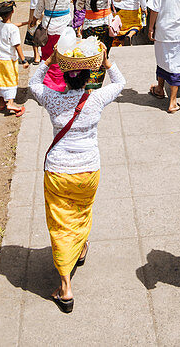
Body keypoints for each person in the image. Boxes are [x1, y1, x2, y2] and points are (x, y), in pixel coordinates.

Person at [29, 45, 125, 313]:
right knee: (81, 213)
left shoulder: (52, 98)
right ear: (88, 77)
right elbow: (121, 82)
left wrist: (49, 60)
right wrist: (106, 62)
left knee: (61, 224)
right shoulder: (95, 98)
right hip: (87, 170)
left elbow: (33, 83)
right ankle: (80, 247)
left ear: (65, 74)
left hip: (58, 171)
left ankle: (65, 286)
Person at [29, 0, 86, 92]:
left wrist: (33, 21)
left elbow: (39, 10)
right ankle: (63, 84)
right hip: (64, 29)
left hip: (48, 28)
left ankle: (49, 85)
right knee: (64, 56)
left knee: (48, 57)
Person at [76, 0, 114, 89]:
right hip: (105, 26)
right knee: (103, 56)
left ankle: (88, 85)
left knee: (90, 56)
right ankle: (97, 85)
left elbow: (79, 6)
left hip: (89, 27)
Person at [0, 0, 29, 116]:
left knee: (0, 79)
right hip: (8, 59)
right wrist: (23, 60)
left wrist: (26, 23)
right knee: (11, 80)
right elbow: (17, 46)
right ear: (13, 11)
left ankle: (2, 102)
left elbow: (11, 26)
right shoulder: (13, 30)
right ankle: (11, 103)